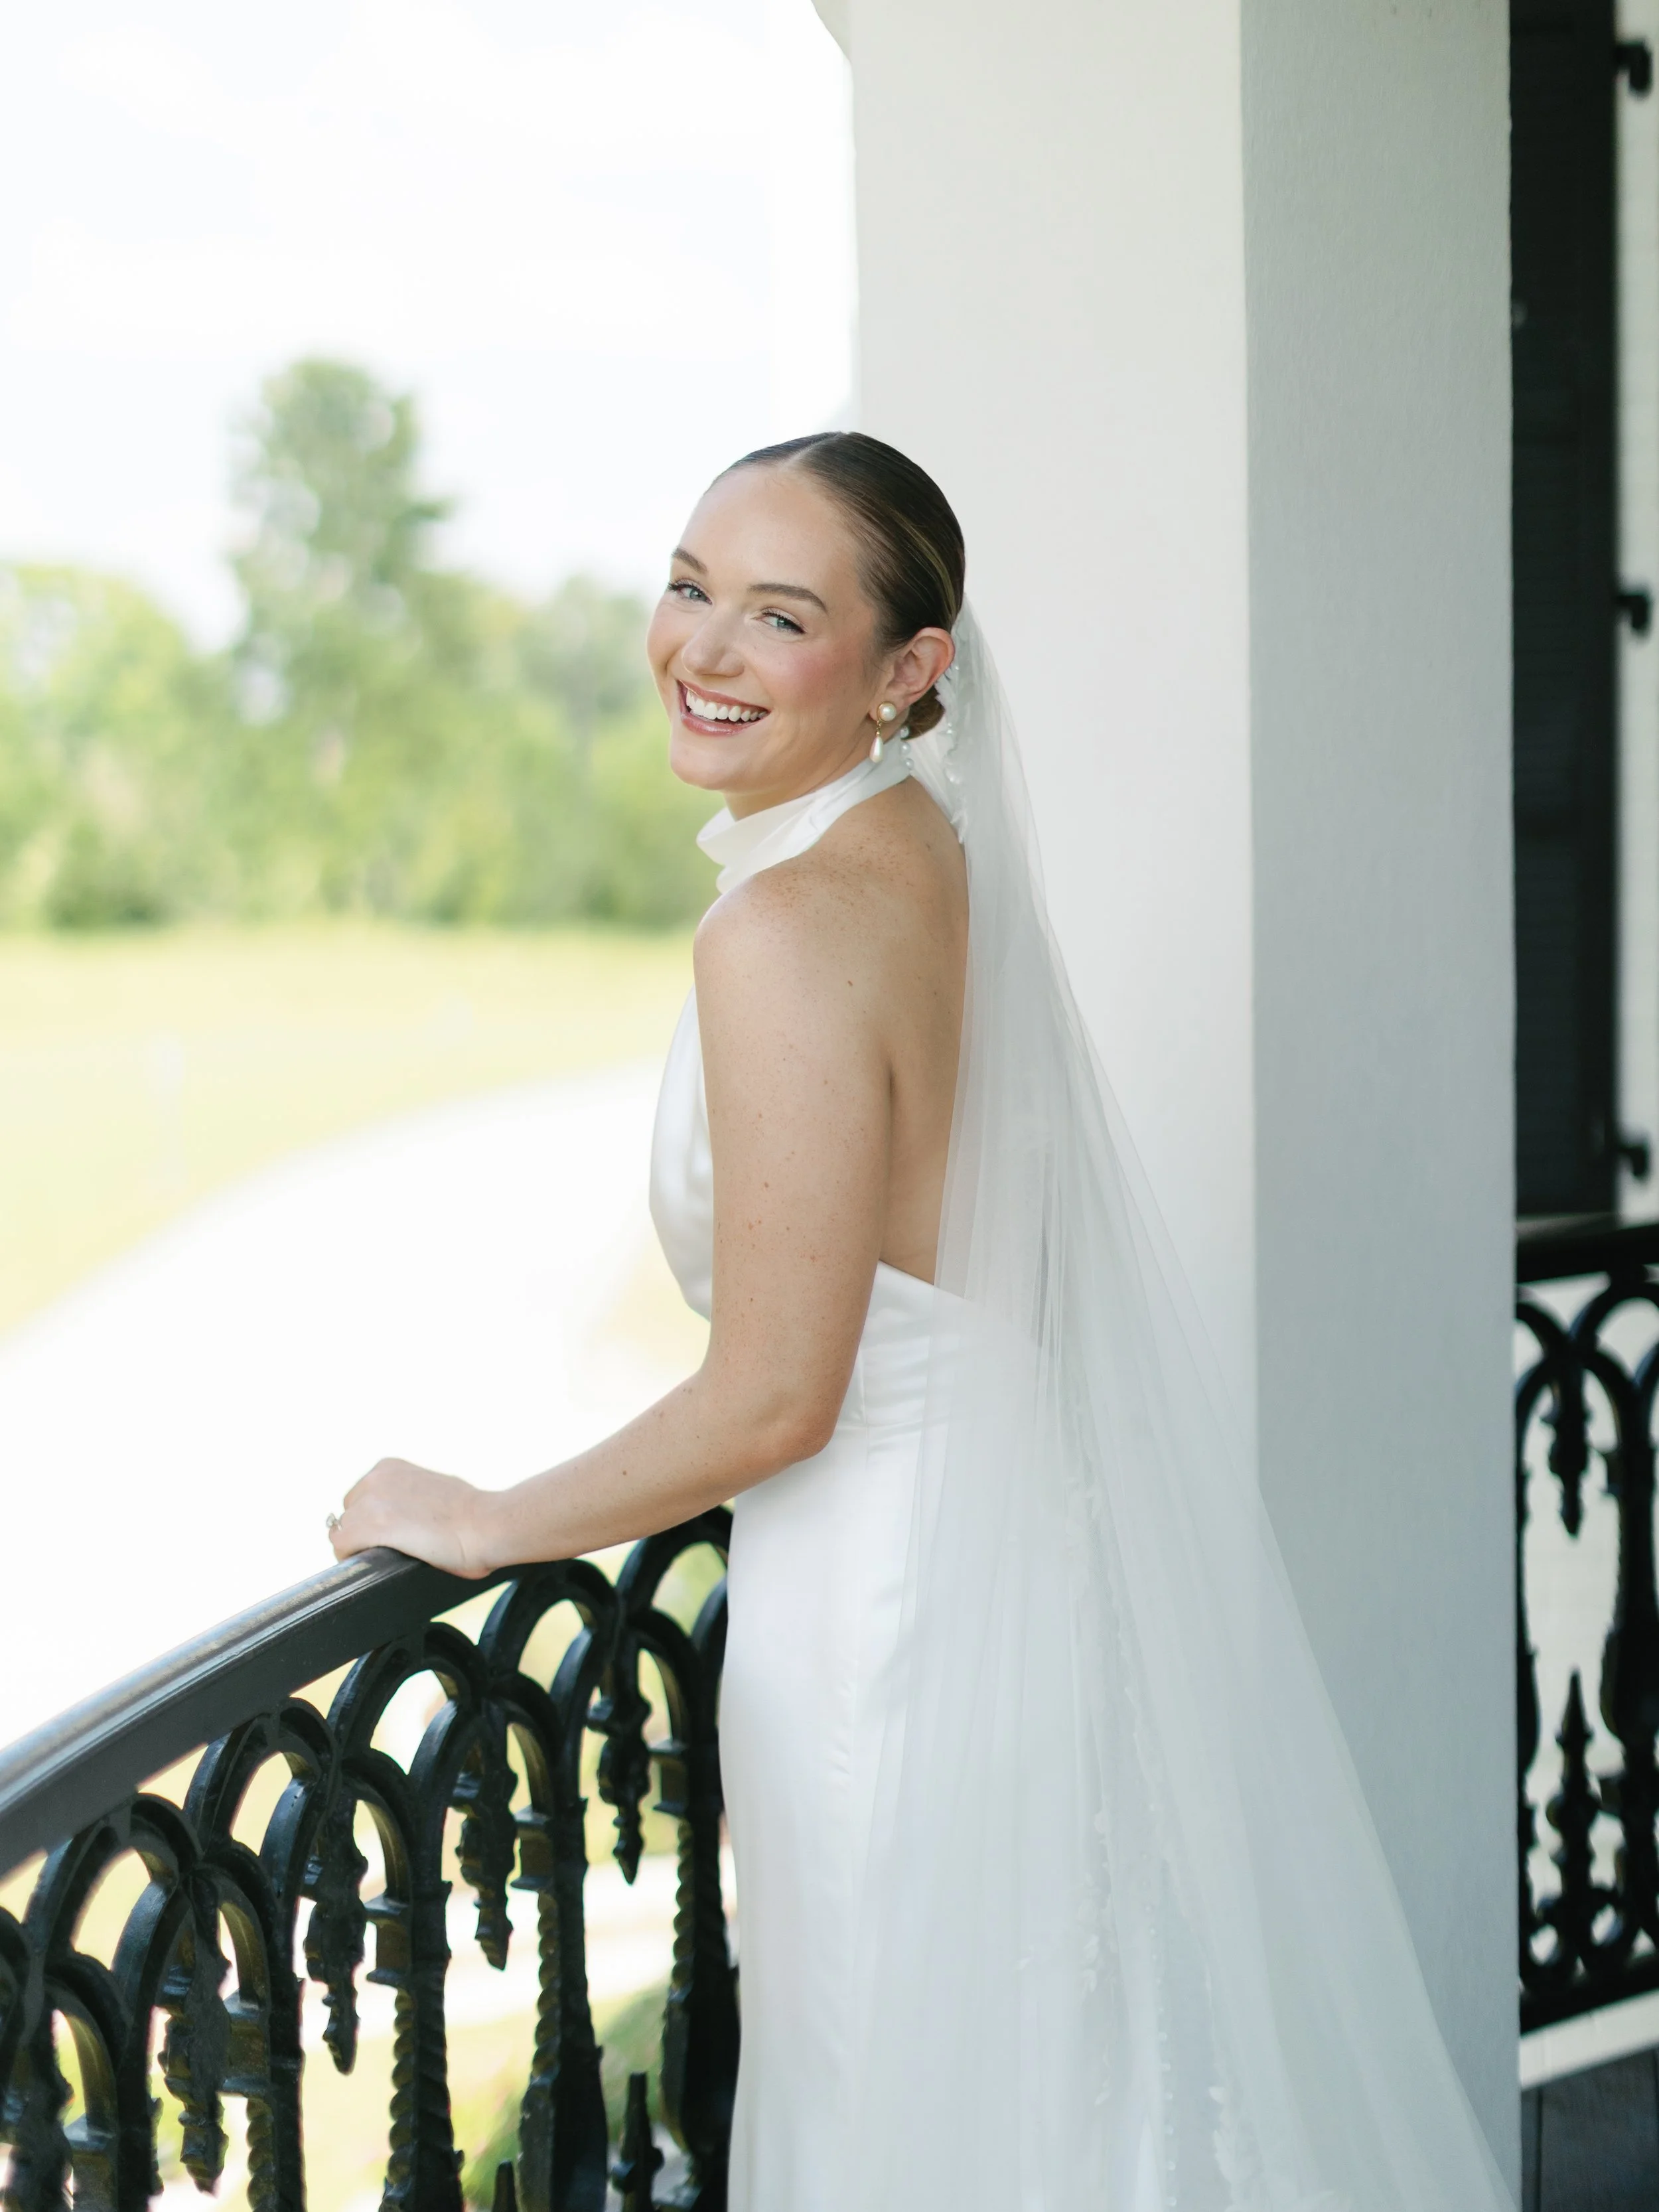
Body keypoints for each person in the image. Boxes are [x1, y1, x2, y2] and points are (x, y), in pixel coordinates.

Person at [330, 435, 1514, 2208]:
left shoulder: (787, 926)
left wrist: (490, 1517)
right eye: (687, 584)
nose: (702, 649)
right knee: (1037, 2072)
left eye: (779, 614)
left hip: (886, 1608)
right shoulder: (922, 851)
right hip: (1001, 1551)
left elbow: (777, 1393)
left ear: (909, 671)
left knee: (900, 2089)